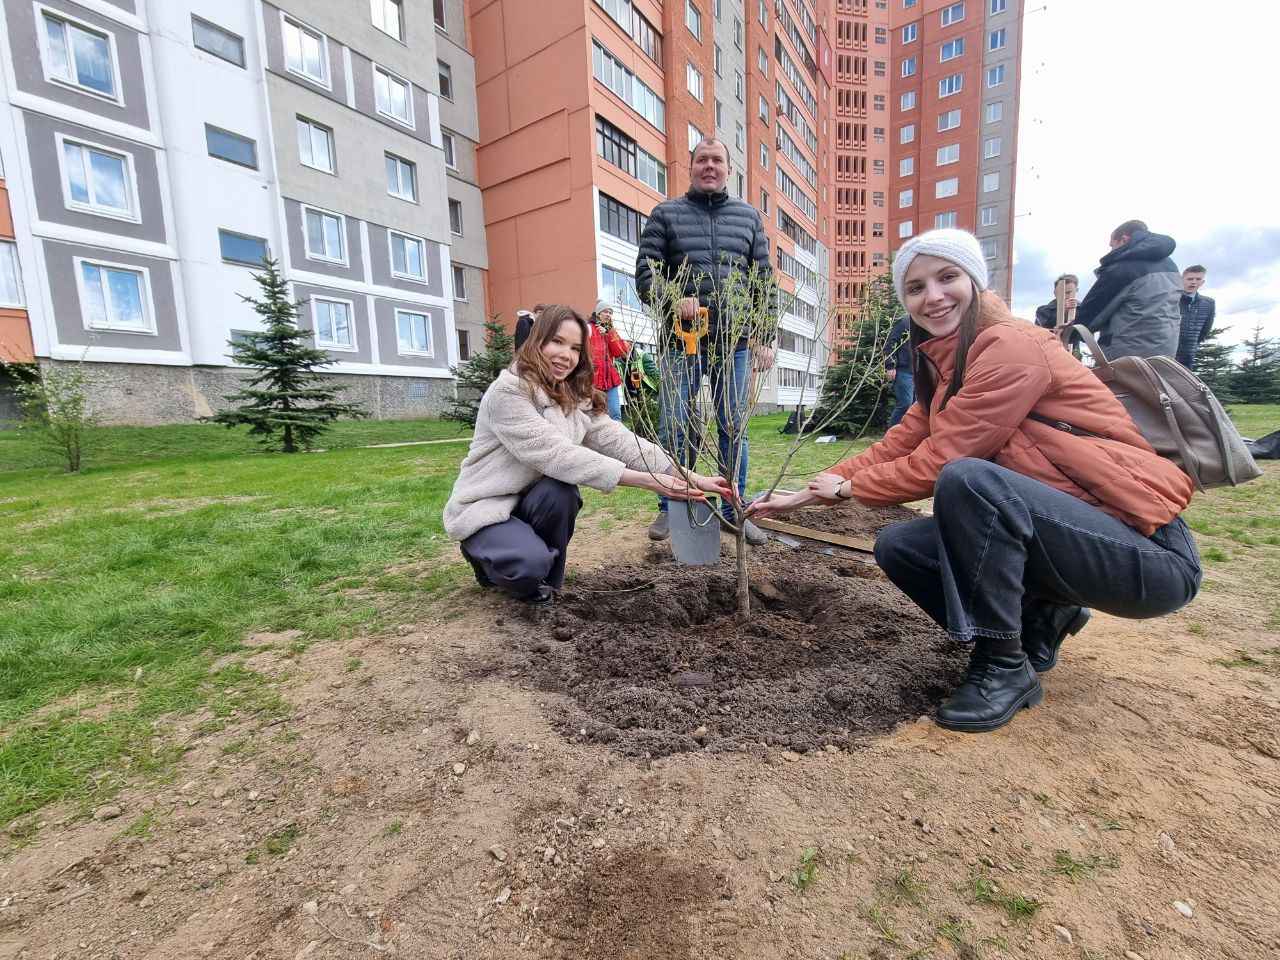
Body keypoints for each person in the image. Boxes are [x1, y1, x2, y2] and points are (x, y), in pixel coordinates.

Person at [747, 229, 1201, 733]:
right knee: (900, 545)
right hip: (1074, 536)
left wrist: (850, 490)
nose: (933, 296)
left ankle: (1003, 666)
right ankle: (1043, 618)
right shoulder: (951, 364)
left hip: (1148, 557)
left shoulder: (1012, 347)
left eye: (947, 277)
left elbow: (944, 458)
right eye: (915, 287)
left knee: (968, 481)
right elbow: (901, 442)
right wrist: (810, 491)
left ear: (975, 282)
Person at [444, 305, 732, 604]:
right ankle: (490, 561)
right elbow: (557, 455)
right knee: (527, 564)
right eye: (557, 341)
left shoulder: (571, 394)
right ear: (536, 340)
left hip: (531, 501)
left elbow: (621, 440)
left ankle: (545, 582)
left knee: (561, 491)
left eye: (575, 348)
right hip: (486, 507)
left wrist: (692, 477)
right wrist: (650, 481)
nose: (566, 355)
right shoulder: (509, 392)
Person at [635, 138, 776, 546]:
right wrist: (671, 299)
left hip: (733, 345)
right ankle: (671, 508)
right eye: (702, 160)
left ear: (728, 169)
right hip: (682, 343)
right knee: (674, 426)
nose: (709, 166)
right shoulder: (666, 214)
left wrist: (763, 337)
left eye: (717, 160)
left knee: (734, 427)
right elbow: (646, 274)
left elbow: (762, 282)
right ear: (691, 166)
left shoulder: (748, 217)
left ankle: (736, 510)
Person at [1073, 219, 1181, 360]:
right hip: (1166, 353)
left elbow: (1091, 316)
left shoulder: (1123, 268)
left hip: (1127, 356)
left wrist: (1069, 332)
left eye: (1112, 245)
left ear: (1124, 239)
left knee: (1114, 383)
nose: (1111, 250)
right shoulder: (1170, 265)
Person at [588, 300, 629, 421]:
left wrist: (609, 332)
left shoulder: (610, 330)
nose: (608, 314)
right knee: (596, 417)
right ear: (598, 313)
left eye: (610, 312)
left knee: (615, 414)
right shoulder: (589, 328)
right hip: (593, 380)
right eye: (605, 311)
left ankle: (619, 440)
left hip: (610, 380)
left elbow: (621, 352)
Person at [1176, 265, 1216, 369]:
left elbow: (1205, 330)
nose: (1193, 282)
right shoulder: (1171, 300)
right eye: (1190, 279)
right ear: (1182, 280)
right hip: (1168, 353)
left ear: (1202, 282)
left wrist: (1192, 345)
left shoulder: (1208, 303)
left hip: (1189, 355)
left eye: (1198, 279)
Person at [1034, 274, 1081, 357]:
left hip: (1073, 355)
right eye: (1065, 293)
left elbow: (1086, 333)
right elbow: (1044, 329)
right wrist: (1064, 310)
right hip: (1049, 354)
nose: (1068, 296)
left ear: (1076, 291)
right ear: (1055, 293)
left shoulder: (1081, 309)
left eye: (1070, 292)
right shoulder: (1043, 310)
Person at [884, 315, 914, 427]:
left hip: (920, 372)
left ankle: (911, 437)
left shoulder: (925, 323)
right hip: (904, 371)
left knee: (917, 408)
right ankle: (890, 437)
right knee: (905, 404)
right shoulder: (904, 322)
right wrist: (890, 366)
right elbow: (890, 345)